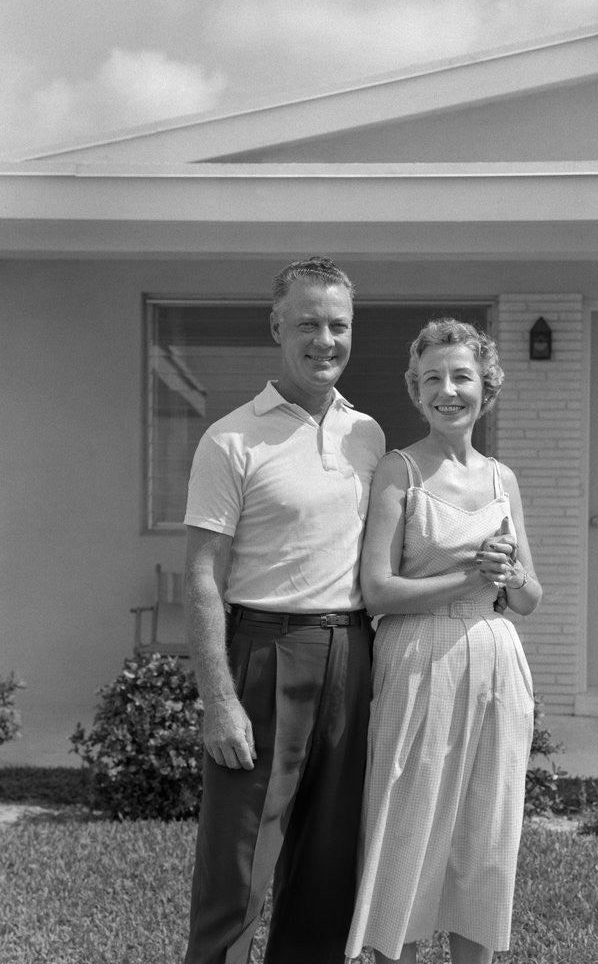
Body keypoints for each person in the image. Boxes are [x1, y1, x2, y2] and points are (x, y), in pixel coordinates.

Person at [182, 256, 385, 964]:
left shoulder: (368, 435)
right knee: (238, 870)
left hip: (353, 654)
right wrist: (219, 701)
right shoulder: (231, 438)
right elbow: (202, 574)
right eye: (307, 324)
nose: (325, 340)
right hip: (266, 654)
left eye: (338, 325)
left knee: (330, 870)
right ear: (276, 327)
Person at [344, 319, 542, 964]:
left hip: (497, 663)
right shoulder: (398, 472)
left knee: (487, 837)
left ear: (487, 387)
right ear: (415, 390)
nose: (447, 391)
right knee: (407, 828)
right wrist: (471, 578)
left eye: (462, 377)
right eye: (432, 378)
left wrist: (510, 576)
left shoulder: (502, 480)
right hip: (417, 659)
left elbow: (530, 598)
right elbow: (377, 591)